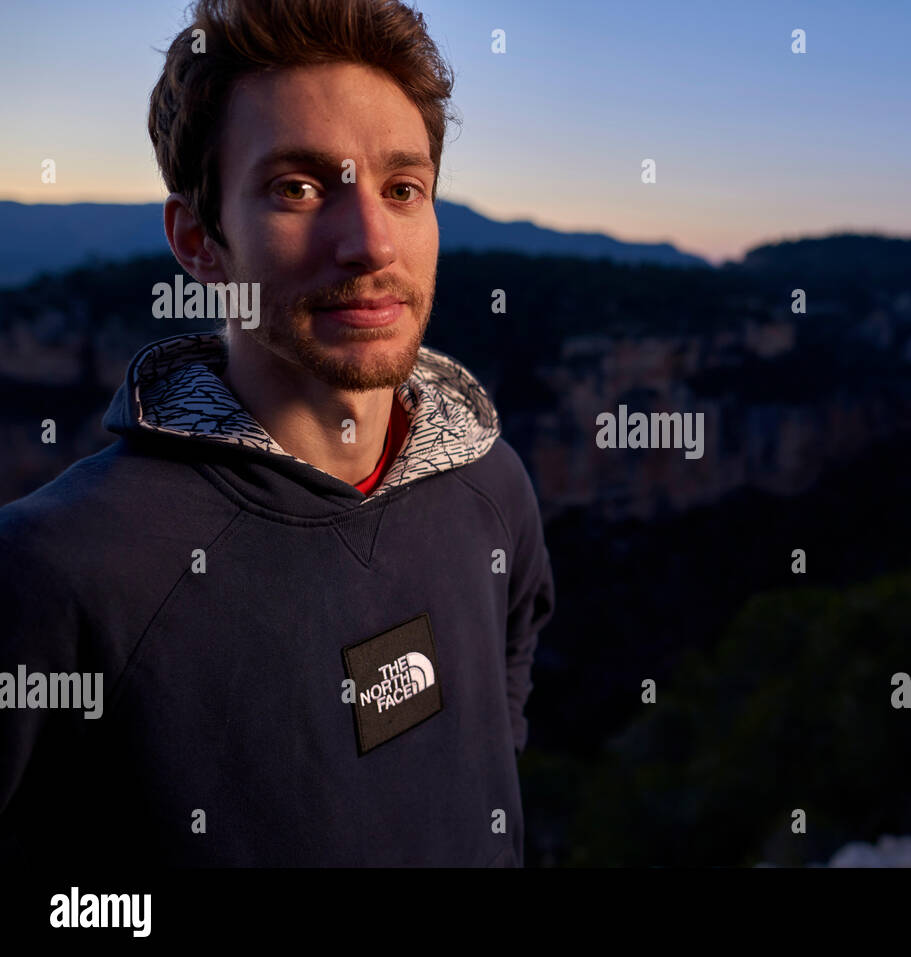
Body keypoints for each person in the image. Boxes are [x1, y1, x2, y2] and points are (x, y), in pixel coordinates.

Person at [0, 0, 555, 866]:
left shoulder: (492, 486)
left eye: (402, 188)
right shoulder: (61, 567)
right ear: (199, 242)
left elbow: (506, 683)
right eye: (297, 188)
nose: (370, 242)